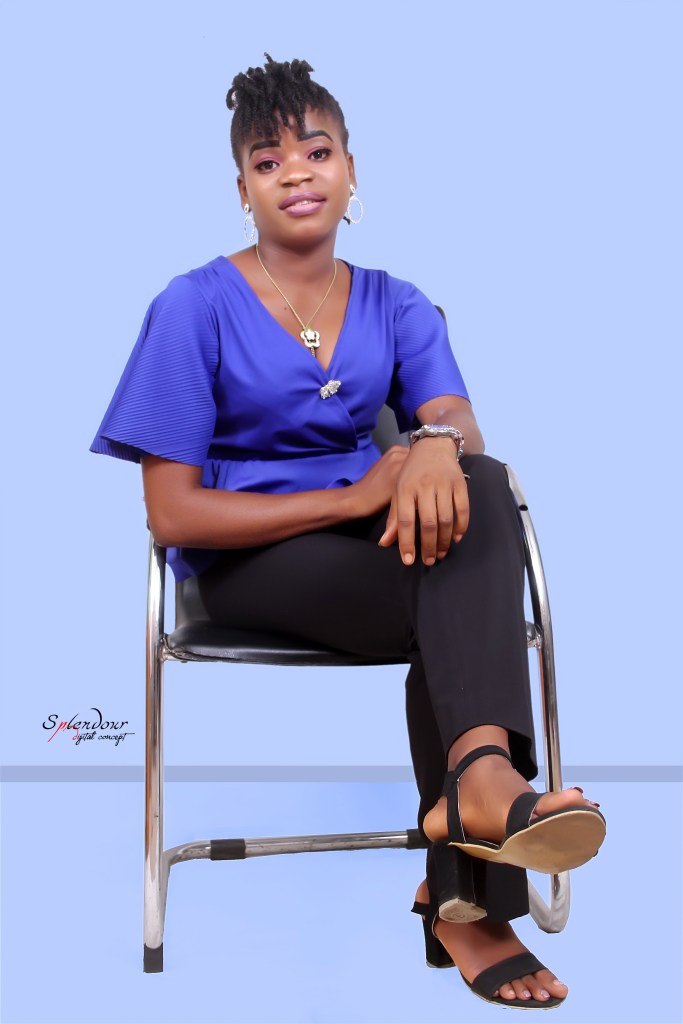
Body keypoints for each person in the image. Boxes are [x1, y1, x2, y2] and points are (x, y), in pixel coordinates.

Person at [91, 54, 605, 1009]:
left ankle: (474, 791)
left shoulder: (395, 302)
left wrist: (433, 446)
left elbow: (453, 415)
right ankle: (469, 884)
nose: (295, 172)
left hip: (380, 552)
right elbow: (172, 514)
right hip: (248, 563)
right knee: (460, 594)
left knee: (479, 481)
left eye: (316, 151)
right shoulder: (191, 306)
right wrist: (352, 495)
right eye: (267, 160)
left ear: (351, 171)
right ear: (242, 190)